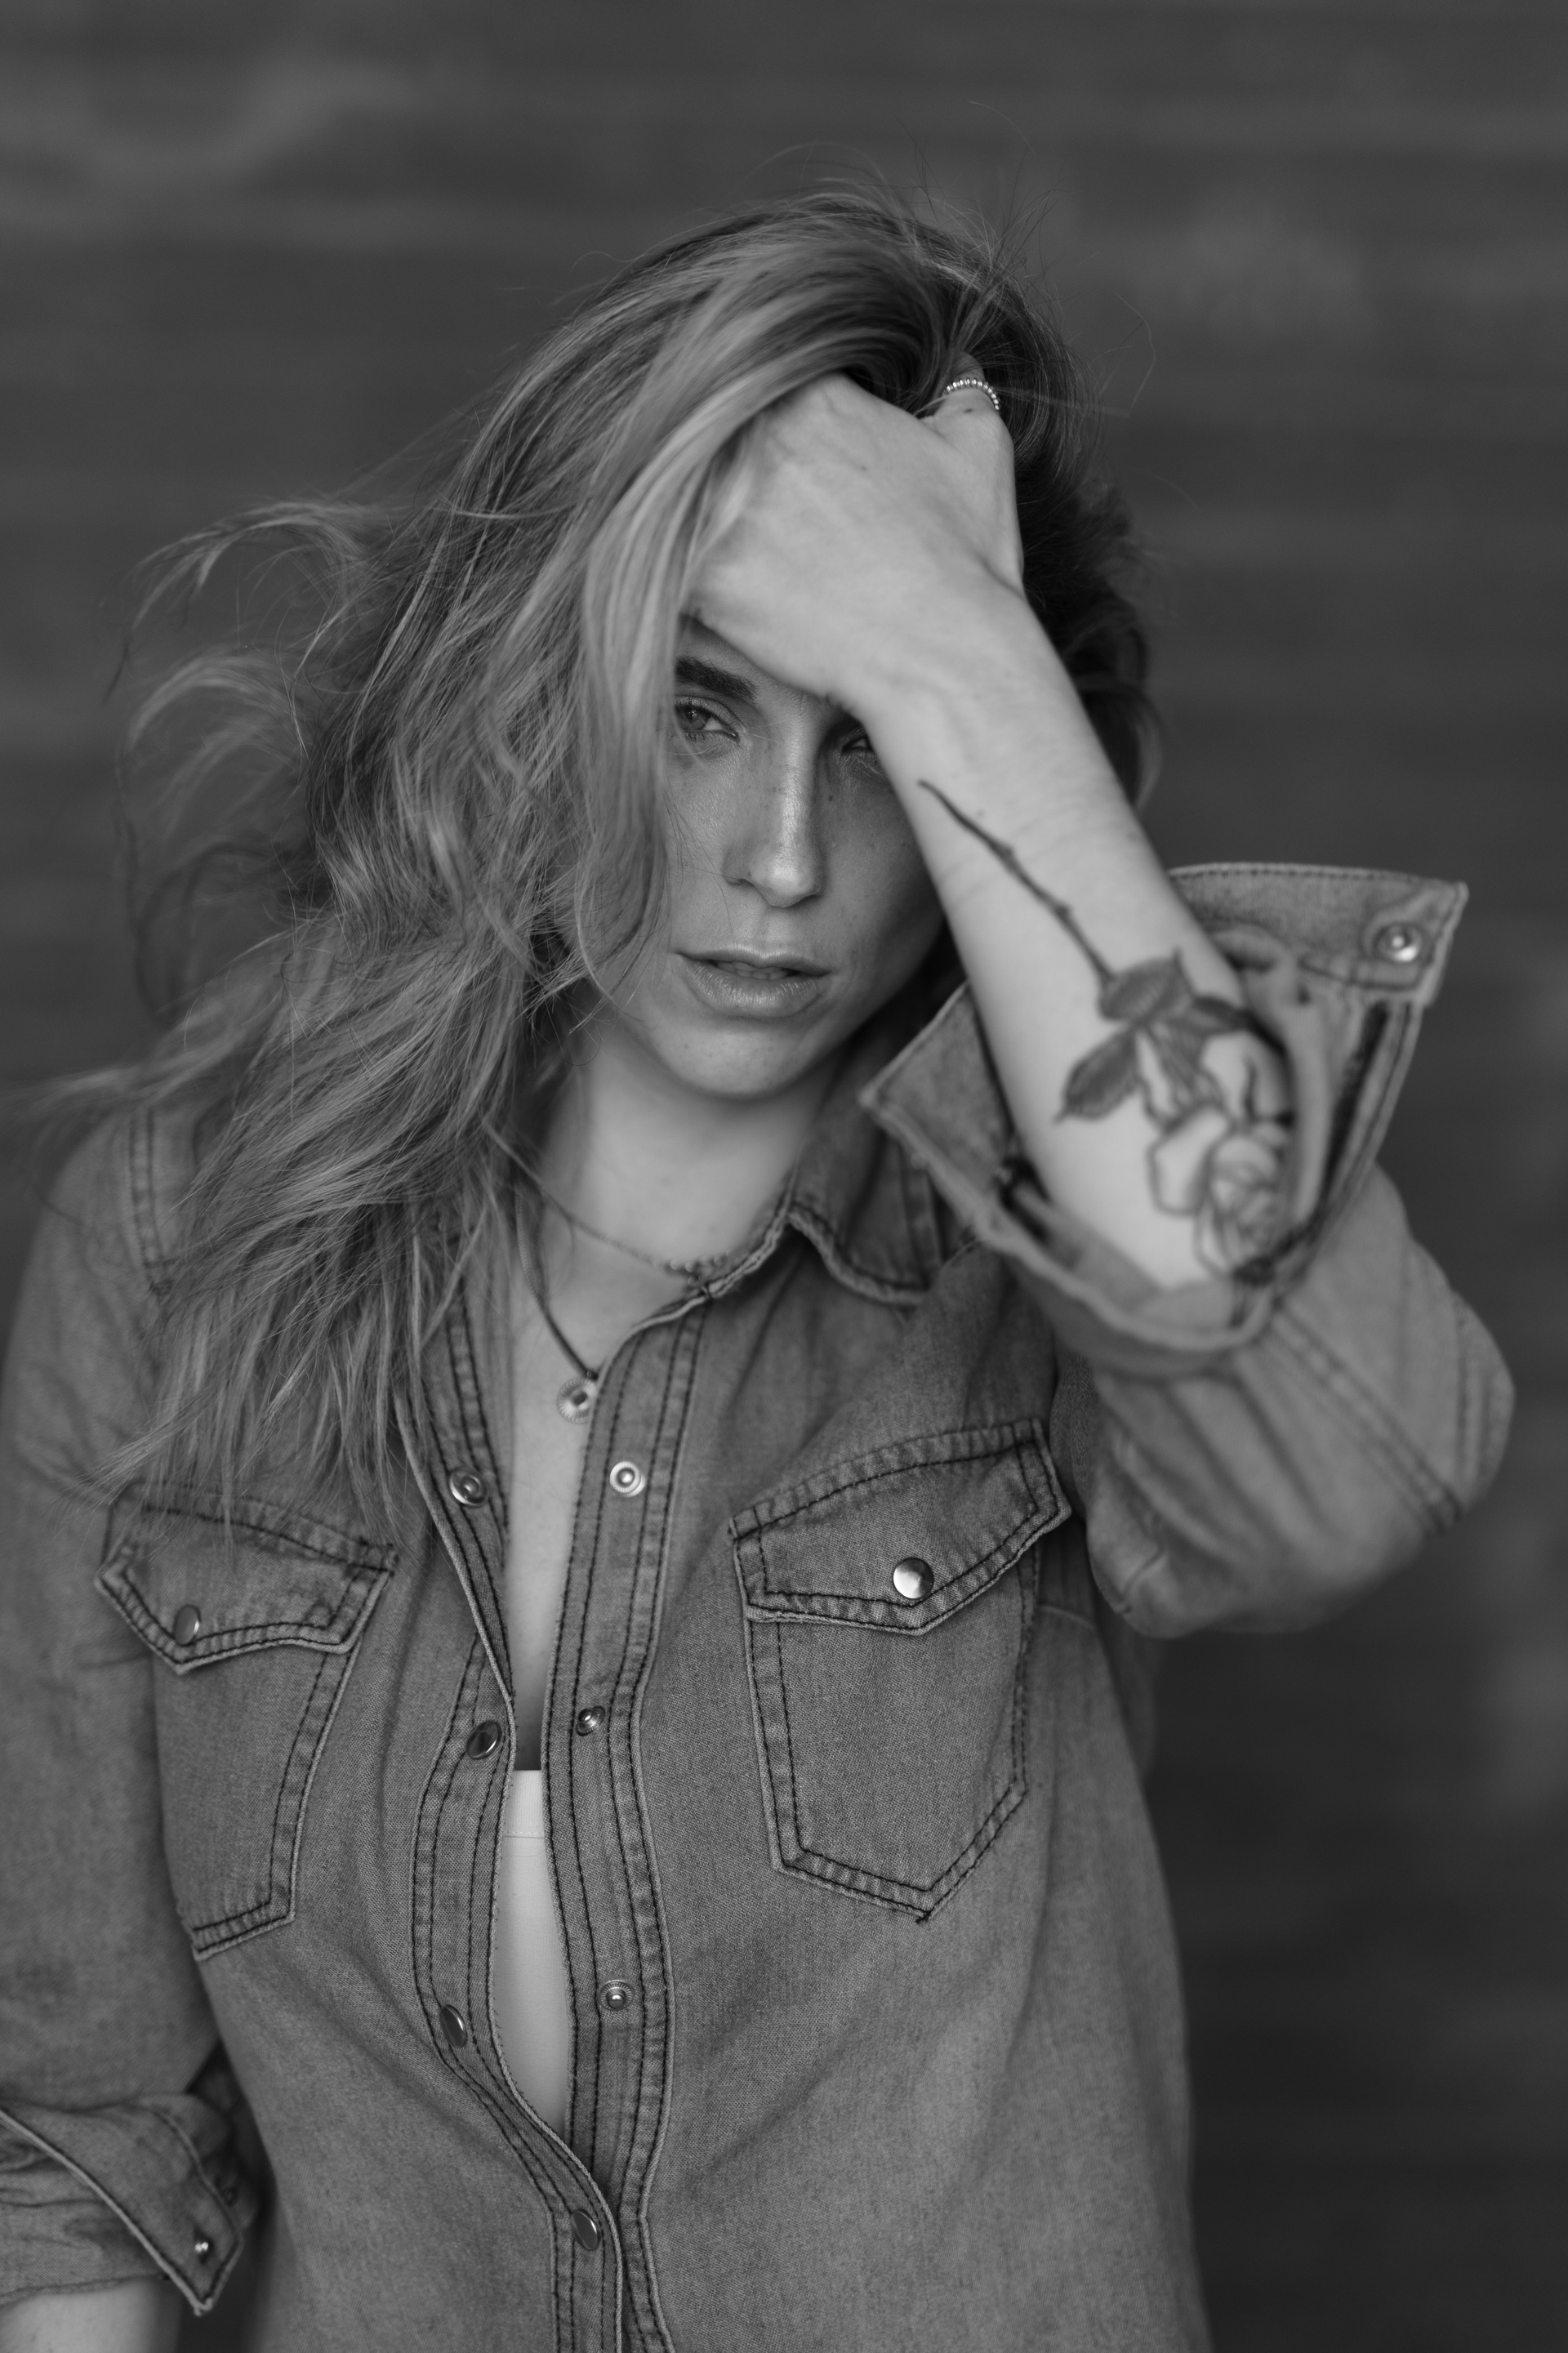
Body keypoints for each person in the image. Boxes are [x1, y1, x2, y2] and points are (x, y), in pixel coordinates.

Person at [0, 187, 1511, 2353]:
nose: (783, 864)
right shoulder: (175, 1239)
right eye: (700, 710)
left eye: (870, 744)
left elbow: (1334, 1472)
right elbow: (77, 2144)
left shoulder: (1044, 1244)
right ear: (538, 699)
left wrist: (954, 645)